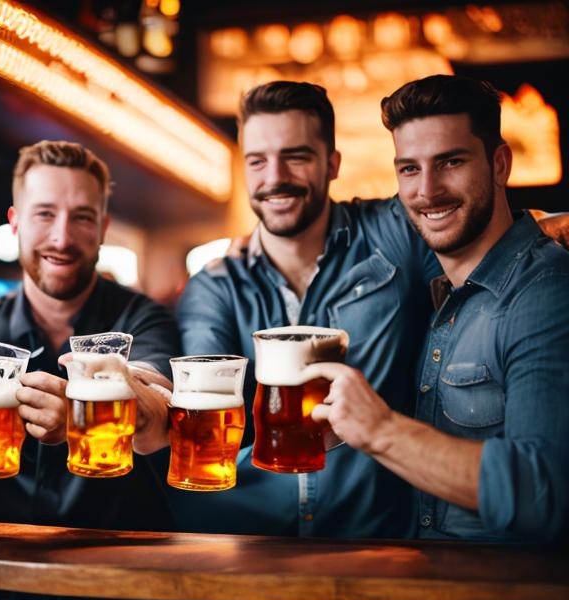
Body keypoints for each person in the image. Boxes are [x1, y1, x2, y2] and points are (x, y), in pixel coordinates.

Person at [161, 80, 441, 538]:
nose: (275, 178)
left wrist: (550, 229)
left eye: (296, 156)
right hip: (251, 545)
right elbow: (206, 398)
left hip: (377, 545)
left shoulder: (393, 237)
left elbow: (475, 229)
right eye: (257, 161)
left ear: (332, 164)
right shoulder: (215, 286)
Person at [0, 140, 180, 600]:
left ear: (104, 229)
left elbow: (159, 398)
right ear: (16, 221)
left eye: (83, 217)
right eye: (44, 214)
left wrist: (90, 416)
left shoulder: (141, 318)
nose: (62, 237)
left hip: (120, 592)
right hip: (0, 594)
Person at [307, 75, 569, 543]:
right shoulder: (445, 294)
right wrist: (354, 430)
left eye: (450, 162)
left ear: (500, 164)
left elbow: (544, 493)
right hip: (430, 596)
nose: (427, 190)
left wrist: (382, 431)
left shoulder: (544, 293)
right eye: (409, 168)